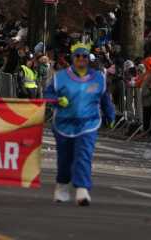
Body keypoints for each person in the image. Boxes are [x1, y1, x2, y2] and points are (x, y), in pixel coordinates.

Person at [44, 42, 115, 206]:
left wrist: (110, 116)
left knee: (83, 155)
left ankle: (82, 190)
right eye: (78, 56)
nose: (81, 59)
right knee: (65, 159)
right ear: (72, 58)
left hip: (88, 124)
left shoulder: (98, 77)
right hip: (63, 125)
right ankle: (62, 186)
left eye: (84, 56)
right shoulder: (60, 77)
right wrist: (56, 100)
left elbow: (105, 99)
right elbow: (47, 94)